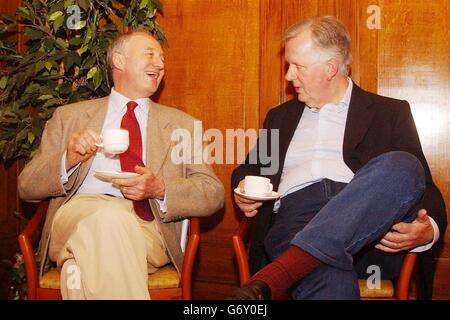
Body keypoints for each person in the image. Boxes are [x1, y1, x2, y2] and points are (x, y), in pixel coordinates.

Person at [231, 16, 446, 300]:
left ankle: (281, 272)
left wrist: (427, 229)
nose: (288, 76)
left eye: (298, 66)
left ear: (330, 68)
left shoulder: (388, 113)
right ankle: (300, 260)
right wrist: (243, 189)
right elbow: (251, 169)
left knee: (404, 165)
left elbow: (424, 188)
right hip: (296, 222)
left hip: (369, 235)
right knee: (326, 275)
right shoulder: (281, 118)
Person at [18, 29, 225, 299]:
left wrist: (158, 188)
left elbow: (213, 193)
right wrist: (68, 159)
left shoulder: (182, 125)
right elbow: (27, 186)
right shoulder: (70, 117)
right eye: (150, 54)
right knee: (108, 218)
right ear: (118, 60)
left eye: (162, 58)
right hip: (77, 217)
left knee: (80, 273)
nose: (160, 64)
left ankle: (76, 272)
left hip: (148, 228)